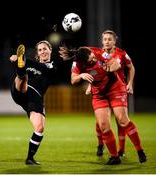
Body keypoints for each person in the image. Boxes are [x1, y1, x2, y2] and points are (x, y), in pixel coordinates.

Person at [59, 45, 146, 164]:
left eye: (93, 57)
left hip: (115, 88)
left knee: (122, 120)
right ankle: (114, 157)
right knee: (103, 125)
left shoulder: (99, 52)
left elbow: (117, 64)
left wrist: (109, 68)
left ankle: (140, 150)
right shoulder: (77, 63)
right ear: (84, 62)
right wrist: (81, 75)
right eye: (91, 60)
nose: (94, 59)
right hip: (99, 94)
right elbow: (73, 80)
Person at [86, 30, 135, 158]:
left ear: (114, 41)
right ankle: (100, 144)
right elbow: (94, 72)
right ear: (102, 41)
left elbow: (131, 67)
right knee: (100, 121)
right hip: (102, 91)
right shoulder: (97, 54)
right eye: (105, 39)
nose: (107, 41)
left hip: (118, 90)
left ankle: (121, 149)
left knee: (121, 120)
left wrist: (130, 84)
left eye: (109, 39)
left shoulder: (122, 54)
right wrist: (89, 85)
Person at [10, 40, 57, 165]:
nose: (43, 51)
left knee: (39, 128)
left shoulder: (52, 67)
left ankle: (30, 158)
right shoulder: (31, 64)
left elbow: (42, 68)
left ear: (50, 50)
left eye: (45, 49)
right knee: (23, 76)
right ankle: (21, 71)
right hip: (21, 90)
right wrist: (17, 60)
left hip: (35, 98)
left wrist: (24, 59)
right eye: (40, 50)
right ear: (37, 53)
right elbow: (29, 64)